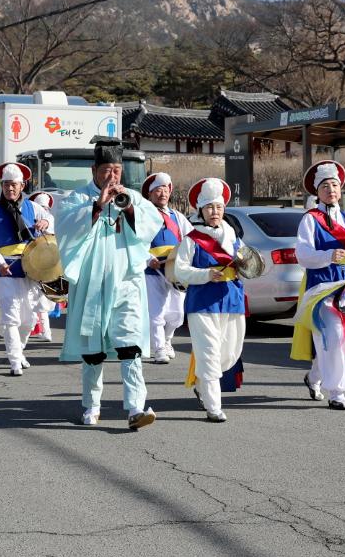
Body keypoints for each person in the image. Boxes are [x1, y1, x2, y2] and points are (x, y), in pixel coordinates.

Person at [56, 140, 160, 429]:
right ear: (94, 170)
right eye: (106, 170)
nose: (112, 176)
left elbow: (152, 224)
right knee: (93, 348)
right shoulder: (77, 198)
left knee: (130, 343)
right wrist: (97, 206)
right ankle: (92, 404)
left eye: (116, 170)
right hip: (91, 283)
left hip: (126, 281)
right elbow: (65, 229)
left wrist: (129, 208)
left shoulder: (132, 196)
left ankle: (135, 408)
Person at [292, 160, 345, 411]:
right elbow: (302, 254)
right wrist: (328, 255)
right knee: (334, 337)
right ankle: (338, 393)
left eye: (335, 185)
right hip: (321, 289)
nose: (331, 190)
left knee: (338, 339)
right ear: (317, 191)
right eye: (325, 186)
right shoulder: (310, 219)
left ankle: (314, 377)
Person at [173, 178, 246, 423]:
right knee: (209, 353)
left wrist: (245, 267)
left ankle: (202, 384)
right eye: (209, 208)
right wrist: (205, 275)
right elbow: (180, 271)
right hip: (202, 303)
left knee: (229, 353)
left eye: (218, 207)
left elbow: (248, 263)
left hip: (232, 301)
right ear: (201, 211)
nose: (214, 212)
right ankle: (214, 407)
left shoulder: (234, 237)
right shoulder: (192, 239)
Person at [0, 163, 53, 376]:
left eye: (13, 184)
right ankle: (14, 361)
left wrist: (45, 222)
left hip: (32, 267)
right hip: (6, 268)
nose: (9, 188)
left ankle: (19, 351)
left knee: (29, 319)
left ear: (22, 185)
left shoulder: (33, 207)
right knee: (11, 316)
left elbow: (51, 220)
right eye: (6, 185)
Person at [141, 172, 193, 364]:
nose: (162, 194)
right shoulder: (144, 215)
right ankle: (158, 348)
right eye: (158, 190)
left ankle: (167, 339)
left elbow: (191, 238)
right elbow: (136, 241)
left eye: (165, 190)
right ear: (150, 194)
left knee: (177, 315)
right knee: (156, 313)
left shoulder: (177, 216)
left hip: (174, 270)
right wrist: (148, 259)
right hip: (152, 271)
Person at [27, 191, 57, 342]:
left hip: (47, 265)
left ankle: (43, 330)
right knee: (32, 298)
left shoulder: (51, 221)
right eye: (41, 208)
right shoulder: (29, 222)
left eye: (46, 208)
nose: (44, 211)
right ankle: (33, 328)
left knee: (44, 300)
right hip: (31, 264)